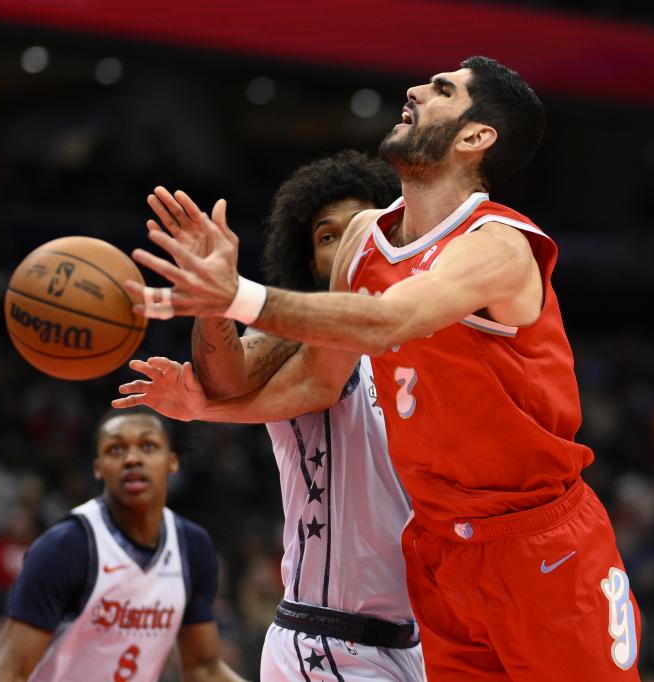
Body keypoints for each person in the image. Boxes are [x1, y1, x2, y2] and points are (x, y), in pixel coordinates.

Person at [123, 56, 639, 680]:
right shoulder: (365, 239)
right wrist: (206, 406)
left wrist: (236, 295)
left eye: (443, 90)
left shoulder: (498, 245)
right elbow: (319, 380)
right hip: (442, 550)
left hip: (539, 545)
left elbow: (390, 321)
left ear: (476, 138)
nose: (416, 89)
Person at [118, 151, 425, 680]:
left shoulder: (429, 341)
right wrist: (217, 298)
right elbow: (225, 379)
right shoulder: (297, 338)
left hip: (416, 642)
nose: (350, 242)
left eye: (364, 226)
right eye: (329, 236)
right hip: (331, 641)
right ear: (309, 263)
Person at [0, 406, 245, 682]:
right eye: (116, 449)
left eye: (147, 446)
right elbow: (9, 673)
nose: (132, 459)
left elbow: (203, 669)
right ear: (98, 468)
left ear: (172, 461)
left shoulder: (192, 547)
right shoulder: (63, 547)